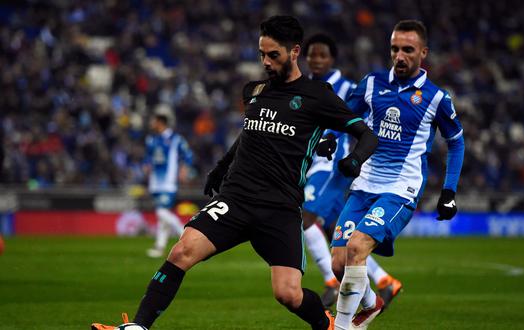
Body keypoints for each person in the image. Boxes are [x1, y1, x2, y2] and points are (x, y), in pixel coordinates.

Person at [91, 15, 378, 330]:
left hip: (279, 207)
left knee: (288, 294)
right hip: (237, 198)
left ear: (295, 52)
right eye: (261, 54)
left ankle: (328, 325)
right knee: (182, 250)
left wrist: (354, 161)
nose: (265, 62)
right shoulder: (254, 91)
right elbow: (250, 135)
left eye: (274, 55)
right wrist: (221, 167)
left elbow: (367, 135)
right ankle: (139, 326)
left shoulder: (318, 96)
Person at [330, 20, 465, 330]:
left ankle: (342, 326)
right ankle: (370, 303)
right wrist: (329, 137)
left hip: (400, 189)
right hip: (364, 184)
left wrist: (449, 192)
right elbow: (343, 117)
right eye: (395, 49)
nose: (400, 56)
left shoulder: (435, 98)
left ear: (423, 53)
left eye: (408, 50)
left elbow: (456, 142)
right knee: (340, 263)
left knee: (356, 247)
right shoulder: (372, 83)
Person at [301, 33, 401, 309]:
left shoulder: (345, 88)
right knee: (340, 235)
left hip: (333, 164)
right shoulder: (303, 87)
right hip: (311, 163)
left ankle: (332, 283)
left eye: (322, 55)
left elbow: (362, 122)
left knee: (304, 218)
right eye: (311, 55)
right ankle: (384, 281)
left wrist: (358, 157)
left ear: (331, 59)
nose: (316, 60)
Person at [143, 110, 194, 258]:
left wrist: (184, 168)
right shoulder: (152, 140)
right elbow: (148, 157)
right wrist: (146, 166)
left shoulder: (175, 139)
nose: (152, 124)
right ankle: (159, 247)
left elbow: (188, 154)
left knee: (161, 212)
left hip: (168, 182)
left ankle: (184, 233)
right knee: (161, 216)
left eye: (154, 121)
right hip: (155, 183)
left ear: (160, 122)